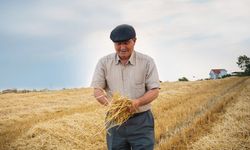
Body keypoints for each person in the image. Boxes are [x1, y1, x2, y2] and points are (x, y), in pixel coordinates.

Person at [91, 24, 160, 150]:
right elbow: (97, 90)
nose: (122, 47)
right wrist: (111, 105)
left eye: (126, 43)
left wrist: (137, 102)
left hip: (141, 121)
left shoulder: (147, 62)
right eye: (118, 44)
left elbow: (154, 90)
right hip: (115, 121)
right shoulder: (104, 63)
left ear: (134, 41)